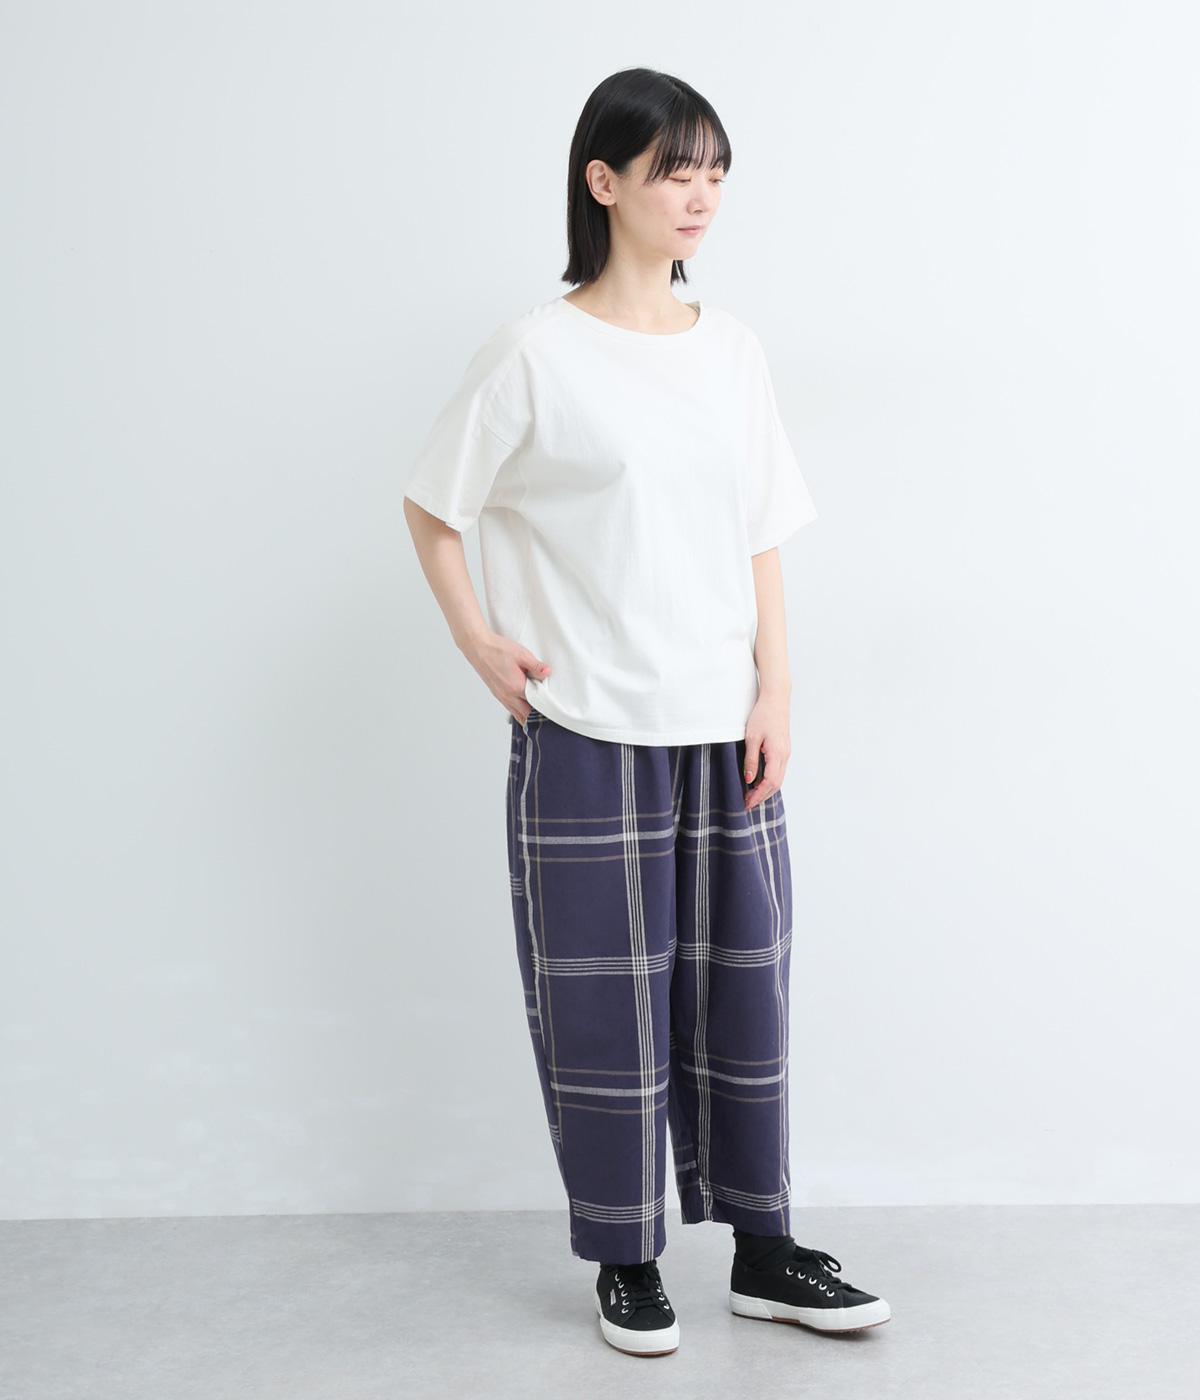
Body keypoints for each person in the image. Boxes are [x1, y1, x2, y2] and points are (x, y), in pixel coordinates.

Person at [402, 66, 891, 1357]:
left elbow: (760, 530)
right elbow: (433, 504)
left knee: (744, 993)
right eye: (677, 170)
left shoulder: (732, 350)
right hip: (587, 728)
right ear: (603, 181)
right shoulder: (535, 352)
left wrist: (777, 686)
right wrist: (475, 638)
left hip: (723, 725)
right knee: (605, 1008)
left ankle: (766, 1250)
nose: (701, 196)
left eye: (716, 172)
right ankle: (626, 1258)